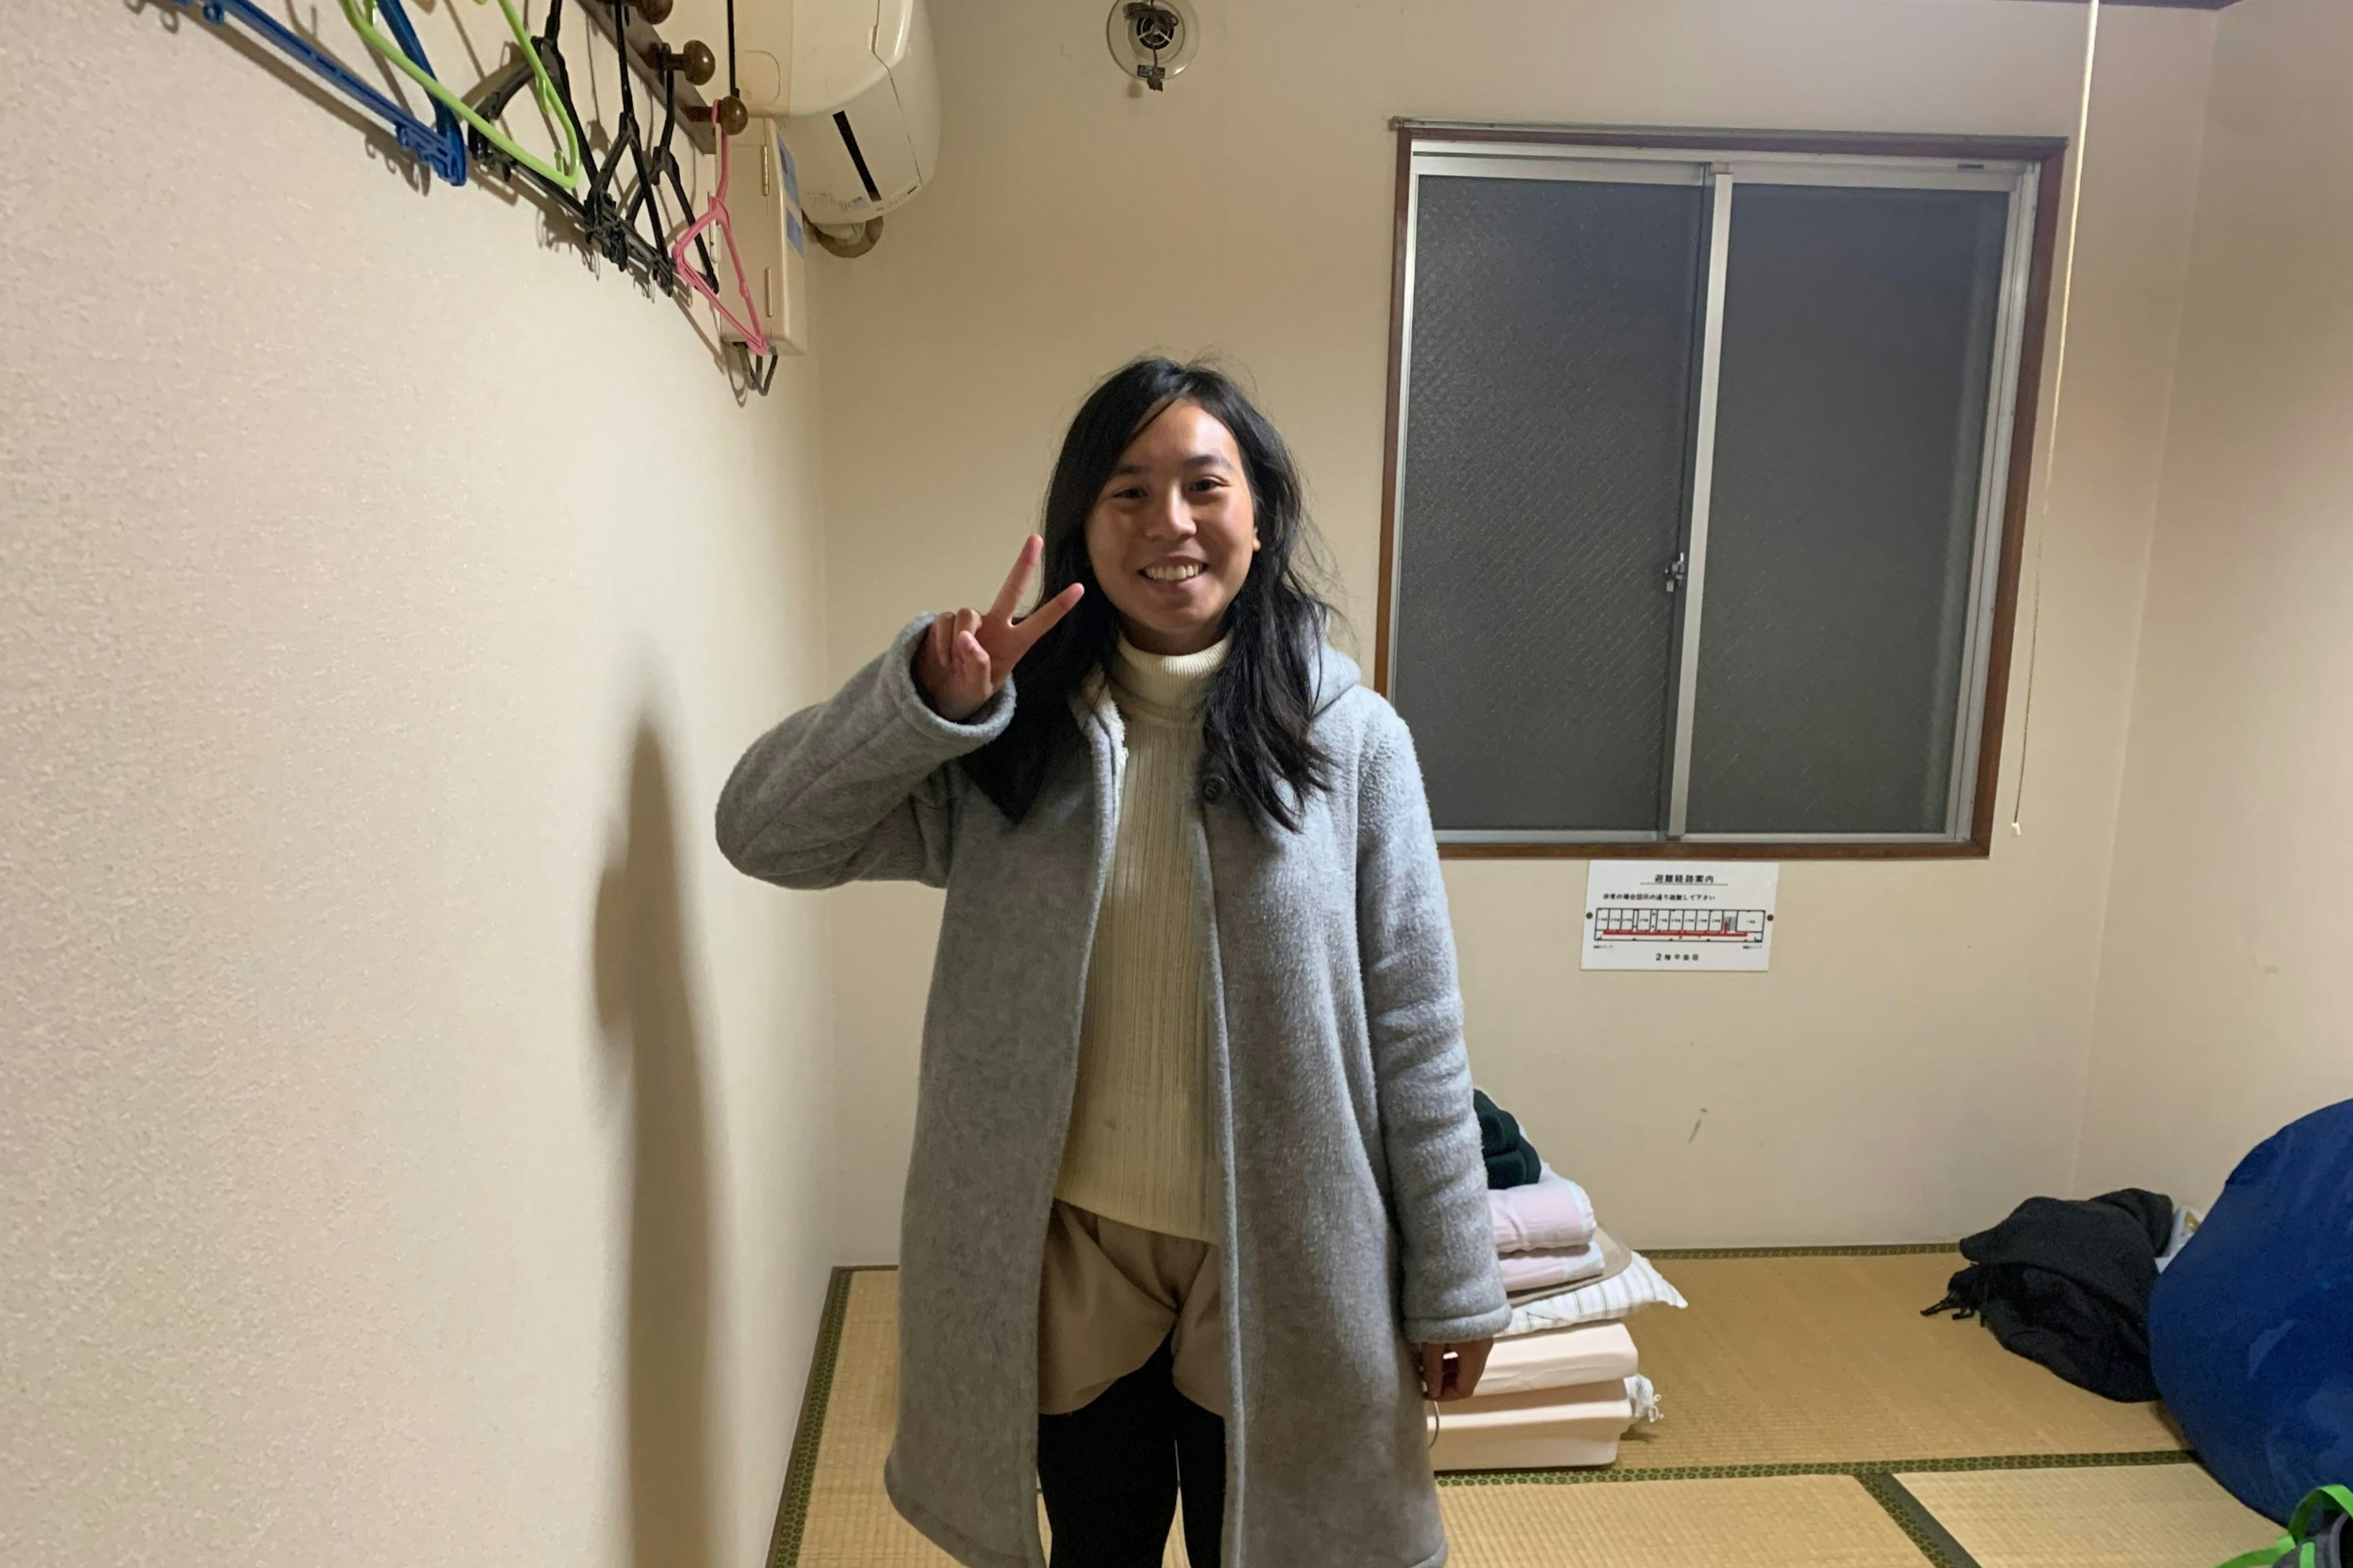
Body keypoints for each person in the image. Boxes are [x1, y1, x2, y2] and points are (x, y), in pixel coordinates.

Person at [716, 357, 1506, 1568]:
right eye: (1129, 491)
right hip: (1068, 1247)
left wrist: (1455, 1276)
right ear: (1083, 519)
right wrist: (922, 699)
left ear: (1260, 514)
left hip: (1283, 1252)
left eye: (1205, 484)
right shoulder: (1009, 738)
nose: (1170, 523)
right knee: (1099, 1542)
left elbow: (1416, 1019)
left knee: (1282, 1545)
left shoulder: (1351, 742)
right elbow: (765, 829)